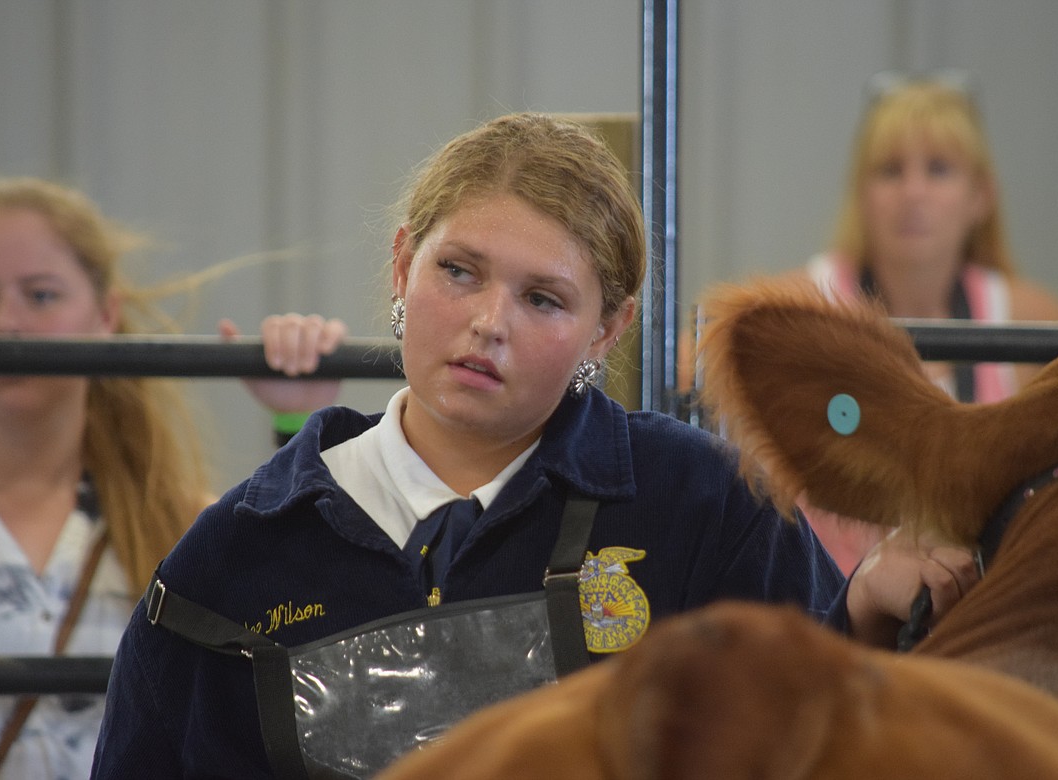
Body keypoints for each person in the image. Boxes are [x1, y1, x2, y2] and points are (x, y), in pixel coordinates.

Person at [90, 113, 977, 779]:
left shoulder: (701, 504)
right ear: (404, 266)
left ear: (607, 329)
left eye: (543, 299)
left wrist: (869, 613)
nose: (487, 325)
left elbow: (822, 734)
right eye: (459, 271)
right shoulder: (233, 563)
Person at [0, 176, 346, 780]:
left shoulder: (173, 518)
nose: (8, 323)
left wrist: (298, 417)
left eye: (41, 296)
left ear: (105, 315)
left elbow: (317, 640)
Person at [798, 72, 1058, 573]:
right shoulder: (804, 305)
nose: (914, 193)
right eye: (890, 171)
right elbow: (695, 388)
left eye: (940, 169)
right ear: (860, 192)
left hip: (978, 620)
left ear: (980, 196)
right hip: (832, 619)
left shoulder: (1033, 318)